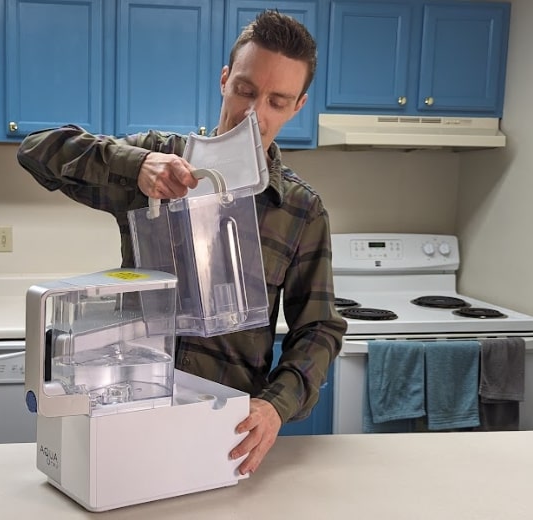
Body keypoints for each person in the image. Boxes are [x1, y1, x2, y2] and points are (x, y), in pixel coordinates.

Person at [17, 9, 346, 475]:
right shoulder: (157, 162)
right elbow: (36, 152)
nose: (255, 113)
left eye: (277, 101)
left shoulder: (300, 210)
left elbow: (319, 330)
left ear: (298, 106)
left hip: (223, 435)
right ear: (225, 79)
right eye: (246, 91)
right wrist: (135, 164)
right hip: (129, 413)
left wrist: (274, 406)